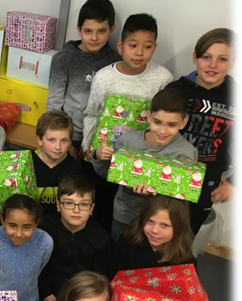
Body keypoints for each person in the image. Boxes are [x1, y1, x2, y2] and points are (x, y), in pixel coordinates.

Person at [81, 13, 173, 233]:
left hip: (138, 162)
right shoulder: (104, 77)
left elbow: (165, 121)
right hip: (104, 157)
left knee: (131, 218)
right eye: (133, 45)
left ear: (154, 47)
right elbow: (91, 113)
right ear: (121, 45)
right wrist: (88, 147)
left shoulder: (163, 79)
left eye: (147, 47)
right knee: (101, 211)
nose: (139, 52)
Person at [92, 88, 198, 241]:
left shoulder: (186, 153)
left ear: (183, 123)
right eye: (157, 122)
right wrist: (99, 155)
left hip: (161, 224)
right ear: (148, 117)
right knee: (119, 251)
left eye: (171, 125)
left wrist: (155, 191)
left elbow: (181, 196)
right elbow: (106, 173)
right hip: (125, 216)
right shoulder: (128, 141)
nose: (163, 130)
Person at [166, 28, 236, 234]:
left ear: (233, 62)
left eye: (222, 59)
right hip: (169, 172)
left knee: (186, 235)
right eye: (206, 57)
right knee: (159, 230)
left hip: (207, 180)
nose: (213, 65)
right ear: (195, 57)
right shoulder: (174, 90)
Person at [46, 0, 120, 157]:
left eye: (101, 31)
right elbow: (53, 106)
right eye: (88, 31)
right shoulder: (64, 60)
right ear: (79, 29)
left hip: (101, 139)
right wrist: (65, 143)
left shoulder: (116, 62)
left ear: (112, 29)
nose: (94, 38)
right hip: (69, 137)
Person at [38, 175, 111, 301]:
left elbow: (99, 277)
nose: (76, 210)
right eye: (69, 203)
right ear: (58, 205)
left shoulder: (101, 237)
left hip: (83, 299)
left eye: (84, 204)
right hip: (48, 297)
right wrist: (46, 293)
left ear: (92, 208)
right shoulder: (44, 228)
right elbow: (36, 266)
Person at [111, 195, 196, 276]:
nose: (155, 230)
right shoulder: (128, 241)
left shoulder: (186, 261)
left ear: (179, 227)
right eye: (150, 221)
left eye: (164, 225)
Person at [33, 110, 83, 215]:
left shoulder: (75, 169)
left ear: (70, 141)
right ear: (40, 139)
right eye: (52, 140)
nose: (58, 147)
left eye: (64, 140)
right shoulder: (27, 163)